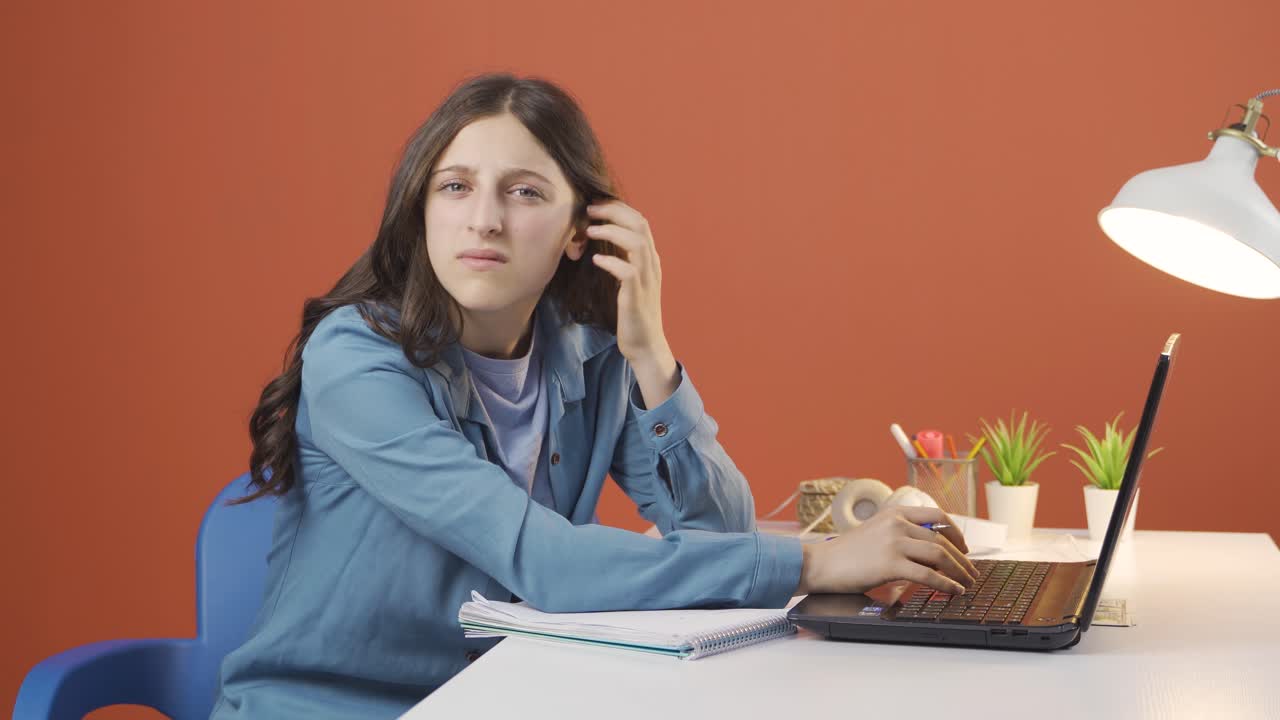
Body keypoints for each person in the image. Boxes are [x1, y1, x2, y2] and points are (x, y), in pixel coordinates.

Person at [209, 72, 978, 719]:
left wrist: (650, 351)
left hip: (509, 696)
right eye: (456, 187)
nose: (484, 219)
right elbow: (545, 562)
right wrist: (816, 560)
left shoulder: (591, 353)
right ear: (422, 211)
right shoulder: (357, 358)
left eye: (524, 192)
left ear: (584, 229)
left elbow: (717, 530)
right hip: (335, 707)